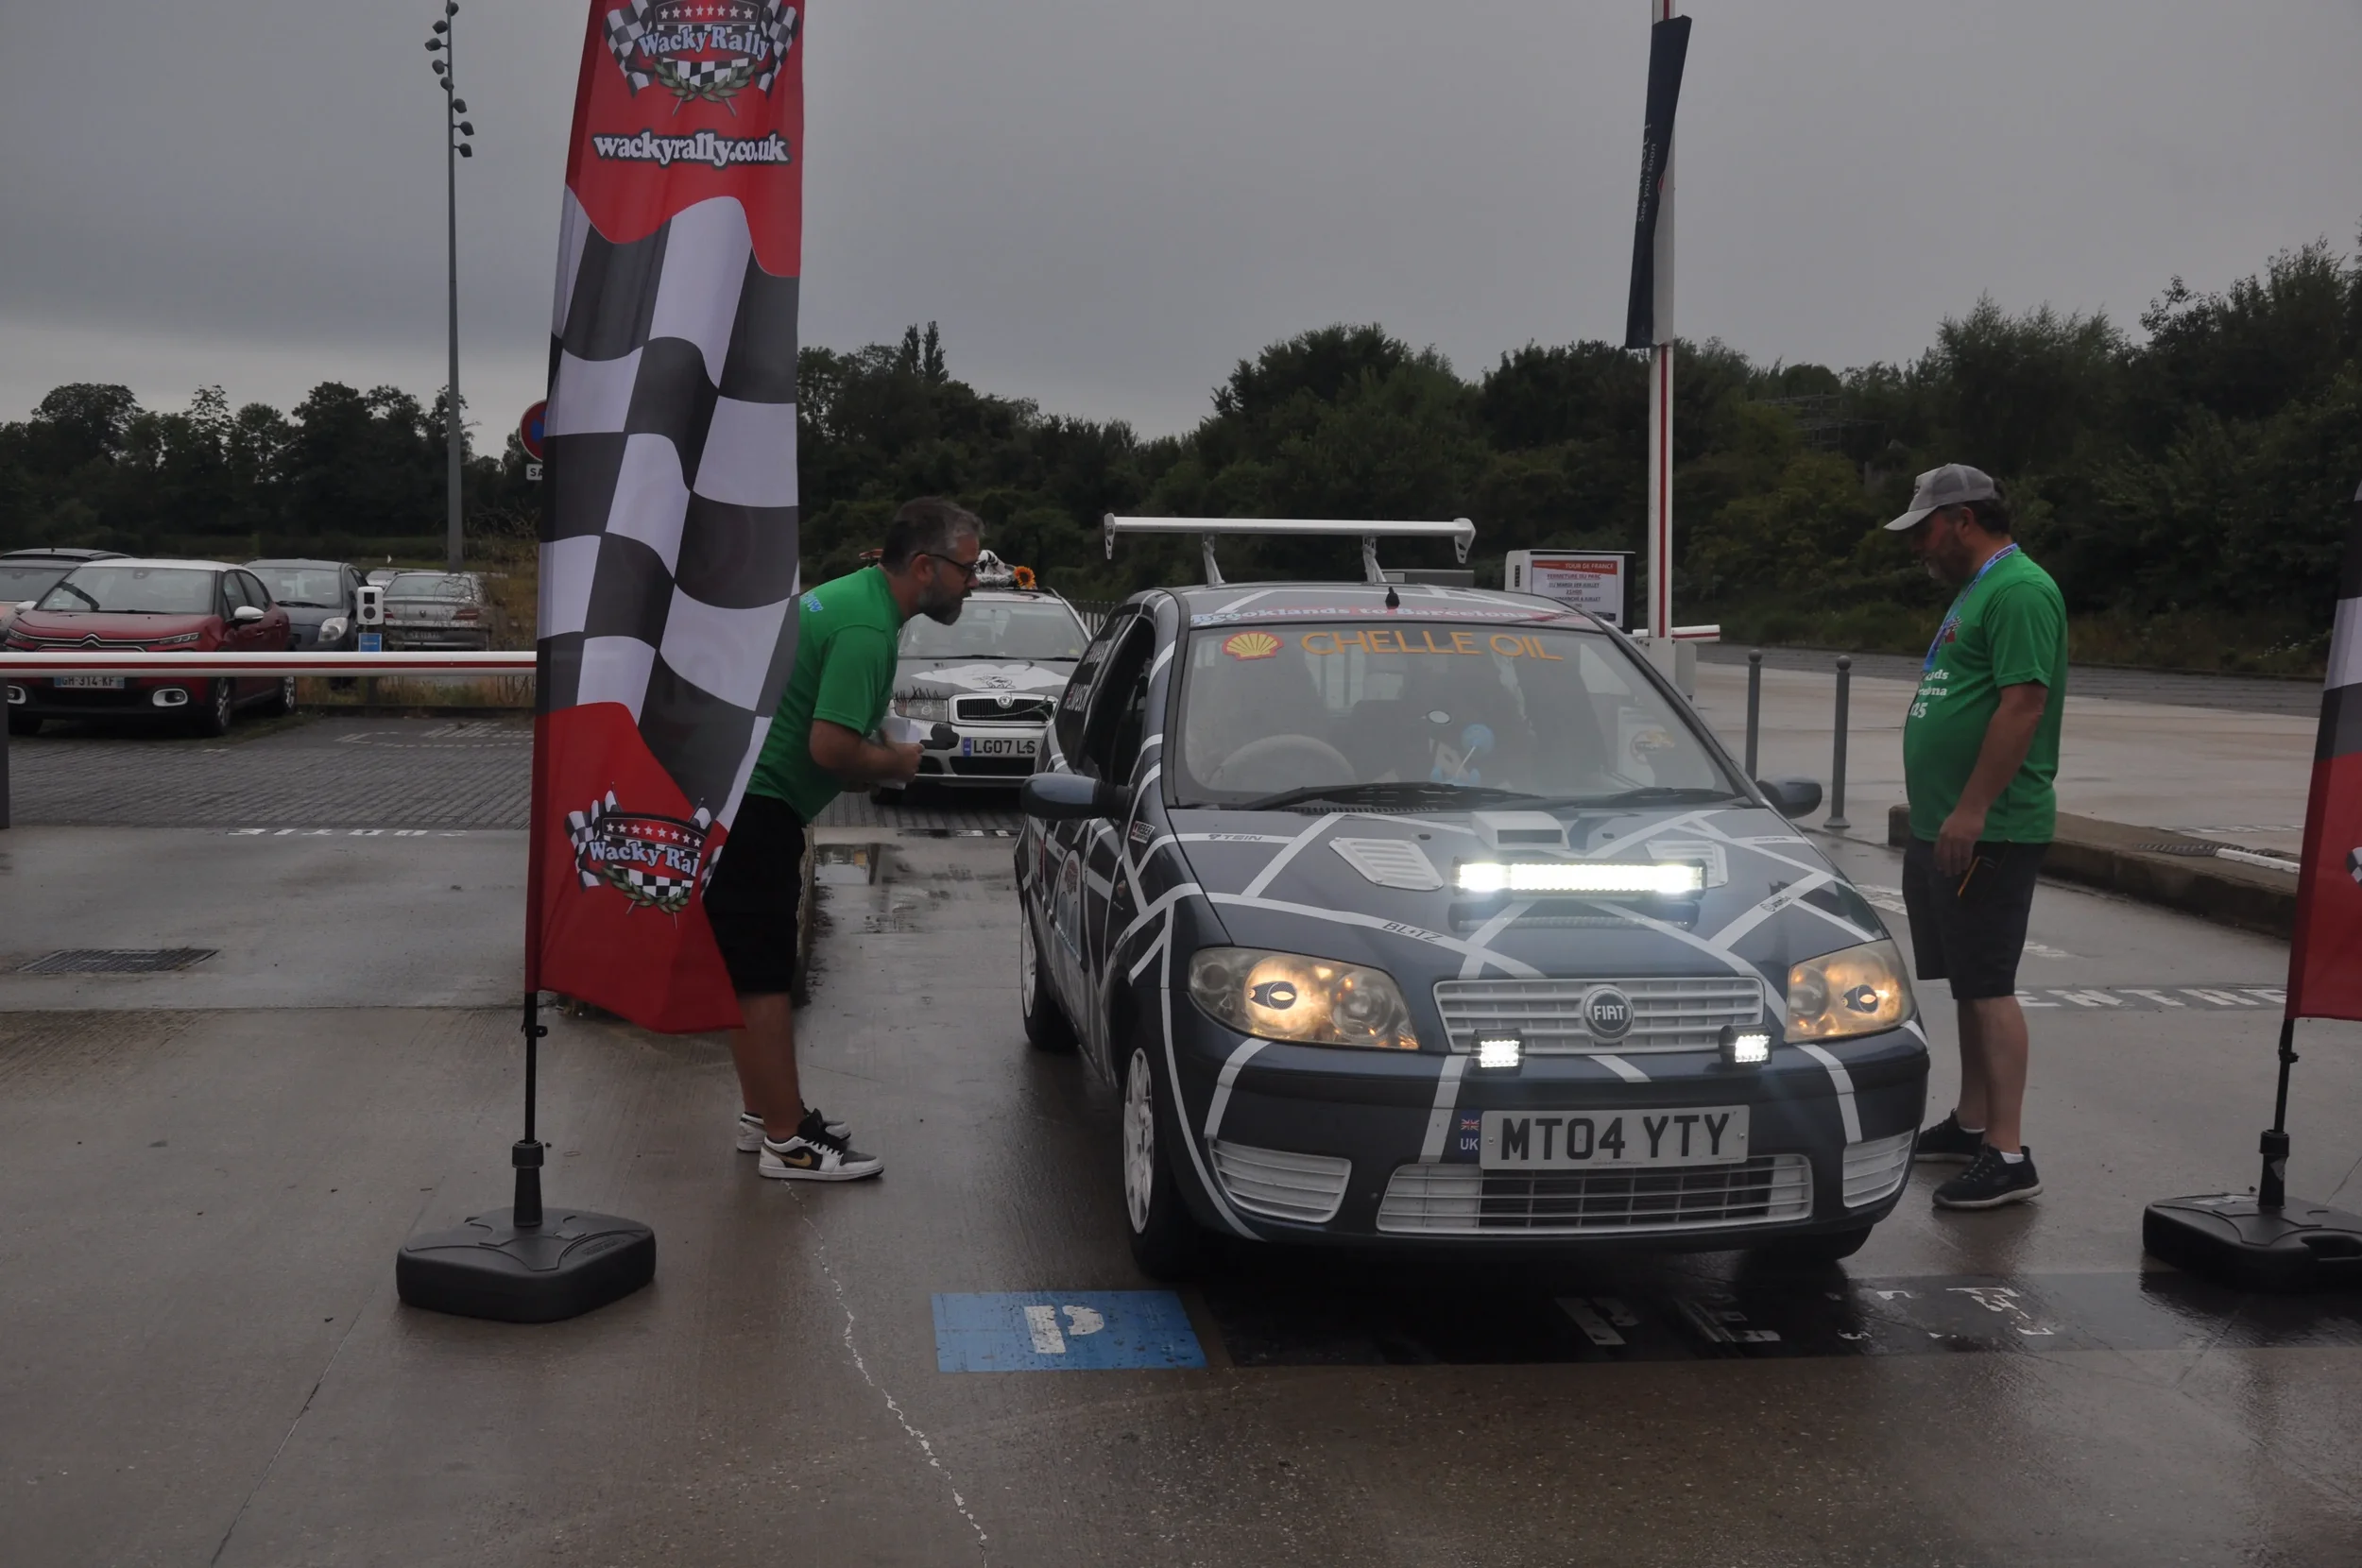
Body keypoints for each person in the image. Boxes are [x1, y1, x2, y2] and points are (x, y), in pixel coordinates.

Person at [703, 497, 984, 1181]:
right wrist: (896, 763)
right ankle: (787, 1143)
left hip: (740, 796)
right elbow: (830, 748)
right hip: (757, 806)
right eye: (967, 570)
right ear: (924, 567)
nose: (973, 583)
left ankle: (766, 1112)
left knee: (750, 973)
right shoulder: (867, 627)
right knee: (764, 978)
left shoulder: (851, 599)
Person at [1888, 464, 2067, 1211]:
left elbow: (2023, 705)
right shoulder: (1977, 589)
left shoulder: (2021, 589)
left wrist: (1972, 810)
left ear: (1962, 519)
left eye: (1926, 531)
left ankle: (2009, 1149)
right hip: (1943, 827)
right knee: (1966, 981)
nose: (1919, 548)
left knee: (1990, 986)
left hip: (1986, 830)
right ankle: (1970, 1123)